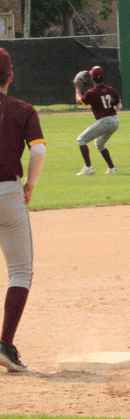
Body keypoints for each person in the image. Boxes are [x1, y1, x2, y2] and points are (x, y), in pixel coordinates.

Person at [0, 47, 46, 372]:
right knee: (20, 272)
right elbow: (39, 152)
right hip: (8, 192)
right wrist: (29, 185)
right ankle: (5, 344)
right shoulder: (23, 109)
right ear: (10, 76)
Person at [74, 65, 121, 176]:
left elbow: (79, 101)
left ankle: (88, 168)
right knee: (99, 144)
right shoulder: (110, 89)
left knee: (81, 140)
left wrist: (77, 88)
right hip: (115, 121)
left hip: (105, 121)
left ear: (92, 78)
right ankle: (112, 168)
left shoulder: (92, 92)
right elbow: (119, 107)